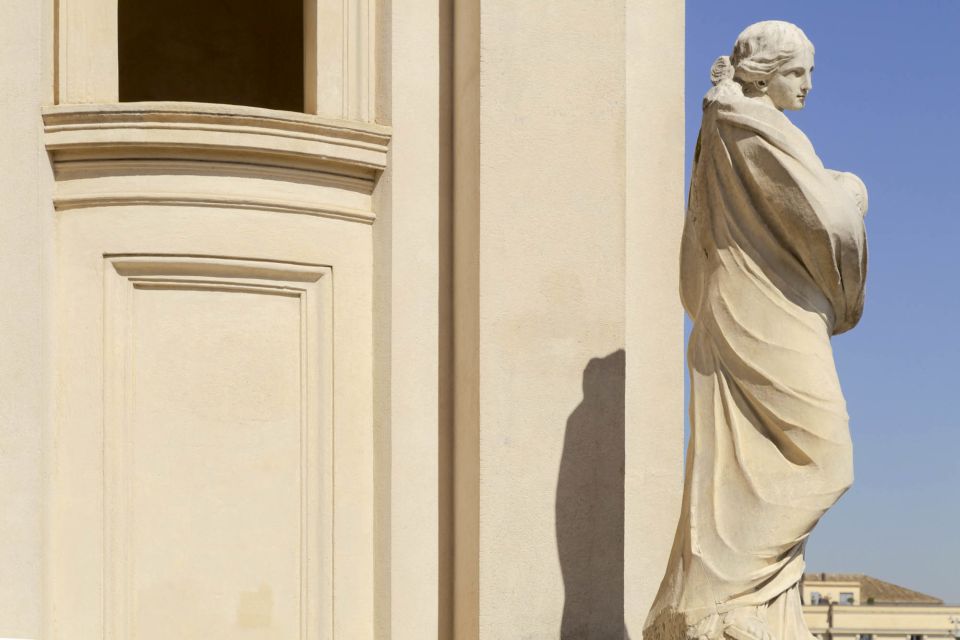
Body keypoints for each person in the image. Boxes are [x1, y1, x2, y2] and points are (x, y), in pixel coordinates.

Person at [644, 21, 868, 640]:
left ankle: (744, 597)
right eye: (798, 73)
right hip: (764, 311)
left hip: (763, 307)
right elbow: (825, 220)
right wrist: (853, 192)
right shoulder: (749, 127)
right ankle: (724, 591)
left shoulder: (735, 124)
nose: (808, 86)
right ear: (764, 74)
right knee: (826, 459)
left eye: (811, 73)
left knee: (753, 461)